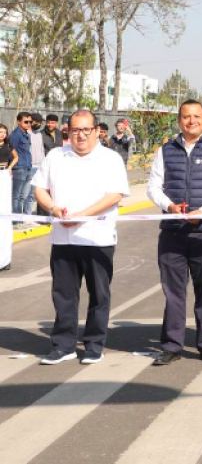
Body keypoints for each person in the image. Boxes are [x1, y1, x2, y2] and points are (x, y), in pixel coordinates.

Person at [32, 110, 129, 365]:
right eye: (75, 130)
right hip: (64, 239)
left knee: (99, 295)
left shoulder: (110, 159)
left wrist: (83, 215)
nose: (81, 135)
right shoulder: (56, 156)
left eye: (87, 130)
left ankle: (95, 345)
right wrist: (53, 209)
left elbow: (115, 194)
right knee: (64, 295)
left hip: (98, 239)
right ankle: (64, 345)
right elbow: (39, 188)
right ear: (68, 131)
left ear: (97, 131)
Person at [147, 100, 202, 366]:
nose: (191, 121)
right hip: (173, 232)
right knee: (173, 291)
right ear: (179, 121)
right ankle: (172, 344)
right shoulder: (165, 151)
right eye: (186, 116)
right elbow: (154, 187)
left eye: (197, 116)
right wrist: (169, 206)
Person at [10, 112, 34, 220]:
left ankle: (19, 218)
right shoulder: (16, 135)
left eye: (30, 122)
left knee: (22, 196)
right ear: (19, 122)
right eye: (26, 122)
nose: (29, 124)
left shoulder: (26, 134)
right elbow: (11, 151)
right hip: (19, 168)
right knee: (16, 196)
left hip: (27, 167)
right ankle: (15, 220)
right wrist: (12, 166)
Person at [0, 124, 16, 272]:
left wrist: (10, 167)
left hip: (4, 175)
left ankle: (5, 259)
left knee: (5, 212)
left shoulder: (8, 145)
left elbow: (16, 157)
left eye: (4, 132)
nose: (2, 134)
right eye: (0, 132)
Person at [26, 114, 44, 217]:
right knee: (27, 193)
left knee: (33, 194)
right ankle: (25, 215)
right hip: (30, 167)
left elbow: (41, 150)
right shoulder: (27, 134)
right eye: (37, 122)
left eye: (40, 122)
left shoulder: (39, 134)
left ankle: (28, 215)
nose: (39, 124)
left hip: (39, 167)